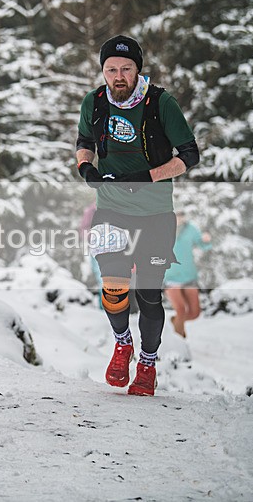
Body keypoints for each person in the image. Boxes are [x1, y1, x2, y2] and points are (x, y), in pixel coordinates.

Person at [75, 35, 200, 396]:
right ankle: (122, 344)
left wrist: (147, 176)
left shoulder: (161, 103)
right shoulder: (94, 102)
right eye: (111, 68)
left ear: (137, 70)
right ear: (103, 70)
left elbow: (189, 156)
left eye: (126, 68)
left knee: (148, 294)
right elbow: (84, 142)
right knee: (113, 288)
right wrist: (86, 168)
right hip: (111, 209)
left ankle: (147, 364)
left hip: (156, 214)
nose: (118, 75)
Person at [164, 212, 212, 338]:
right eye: (176, 214)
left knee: (194, 313)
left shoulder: (191, 229)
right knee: (181, 310)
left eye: (182, 214)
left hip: (189, 276)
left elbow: (202, 245)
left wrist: (206, 241)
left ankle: (175, 321)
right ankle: (179, 345)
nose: (179, 217)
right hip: (171, 277)